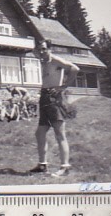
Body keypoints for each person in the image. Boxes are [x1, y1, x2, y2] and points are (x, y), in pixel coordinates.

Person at [30, 40, 79, 177]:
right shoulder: (43, 61)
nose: (41, 52)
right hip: (44, 96)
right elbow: (33, 52)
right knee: (40, 133)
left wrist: (62, 87)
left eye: (44, 49)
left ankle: (65, 167)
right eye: (39, 49)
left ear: (50, 49)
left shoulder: (56, 60)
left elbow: (74, 68)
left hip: (54, 98)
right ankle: (42, 165)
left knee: (59, 133)